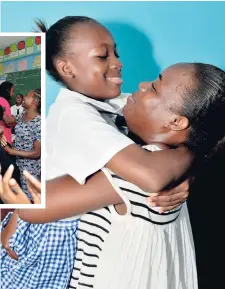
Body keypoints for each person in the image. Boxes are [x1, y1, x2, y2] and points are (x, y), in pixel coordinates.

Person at [1, 17, 191, 289]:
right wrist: (187, 160)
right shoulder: (75, 114)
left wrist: (188, 168)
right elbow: (151, 173)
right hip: (52, 232)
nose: (117, 62)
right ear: (67, 68)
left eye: (116, 52)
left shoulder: (112, 102)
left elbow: (173, 127)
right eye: (103, 56)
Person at [1, 89, 41, 198]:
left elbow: (37, 153)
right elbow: (9, 121)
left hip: (30, 168)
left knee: (28, 196)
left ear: (35, 101)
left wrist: (11, 151)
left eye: (27, 96)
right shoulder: (23, 115)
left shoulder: (38, 123)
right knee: (17, 193)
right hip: (17, 162)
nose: (24, 97)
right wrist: (1, 111)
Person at [0, 81, 16, 145]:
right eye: (12, 91)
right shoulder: (3, 101)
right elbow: (8, 122)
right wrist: (16, 119)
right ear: (7, 90)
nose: (13, 94)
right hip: (4, 137)